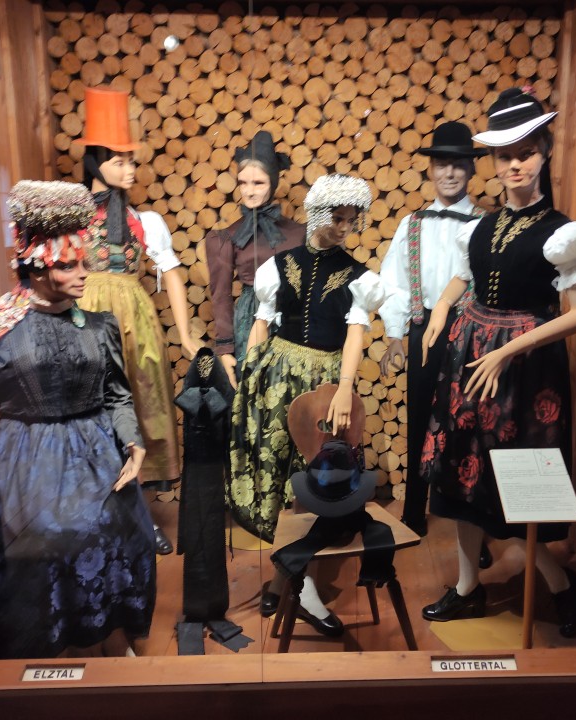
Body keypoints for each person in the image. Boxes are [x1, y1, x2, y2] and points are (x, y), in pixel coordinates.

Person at [419, 87, 576, 638]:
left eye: (525, 152)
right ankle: (466, 589)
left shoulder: (562, 233)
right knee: (462, 481)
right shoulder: (480, 227)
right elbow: (465, 276)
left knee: (519, 486)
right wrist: (442, 310)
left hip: (525, 371)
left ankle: (560, 585)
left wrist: (505, 349)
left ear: (544, 153)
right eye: (504, 156)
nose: (514, 165)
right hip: (469, 362)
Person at [0, 180, 155, 659]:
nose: (85, 274)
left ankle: (110, 631)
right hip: (26, 460)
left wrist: (133, 441)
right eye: (69, 265)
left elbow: (117, 394)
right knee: (38, 545)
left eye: (83, 261)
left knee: (119, 534)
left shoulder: (101, 326)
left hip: (95, 454)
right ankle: (40, 645)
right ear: (37, 267)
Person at [228, 174, 389, 636]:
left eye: (350, 219)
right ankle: (287, 576)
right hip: (275, 378)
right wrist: (251, 373)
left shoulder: (358, 277)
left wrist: (344, 389)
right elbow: (262, 322)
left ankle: (301, 585)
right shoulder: (278, 266)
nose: (343, 227)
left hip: (324, 385)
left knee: (315, 481)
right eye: (336, 217)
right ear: (317, 213)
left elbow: (355, 334)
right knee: (277, 473)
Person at [74, 86, 202, 554]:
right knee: (90, 411)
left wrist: (185, 334)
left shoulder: (143, 221)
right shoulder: (69, 217)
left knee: (142, 409)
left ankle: (140, 516)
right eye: (120, 160)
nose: (130, 169)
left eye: (132, 160)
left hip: (135, 326)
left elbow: (172, 272)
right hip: (84, 323)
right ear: (96, 162)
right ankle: (98, 516)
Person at [377, 121, 487, 537]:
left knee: (467, 421)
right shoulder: (411, 224)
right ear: (431, 170)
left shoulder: (485, 224)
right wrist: (394, 334)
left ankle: (471, 521)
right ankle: (413, 510)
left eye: (458, 164)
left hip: (471, 331)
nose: (450, 173)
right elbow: (394, 281)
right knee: (420, 416)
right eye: (442, 164)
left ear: (471, 169)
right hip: (423, 328)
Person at [204, 131, 305, 389]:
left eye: (258, 183)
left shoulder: (299, 234)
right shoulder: (226, 237)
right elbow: (221, 294)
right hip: (248, 321)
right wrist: (225, 349)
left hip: (291, 320)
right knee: (251, 391)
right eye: (243, 183)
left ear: (273, 181)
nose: (249, 192)